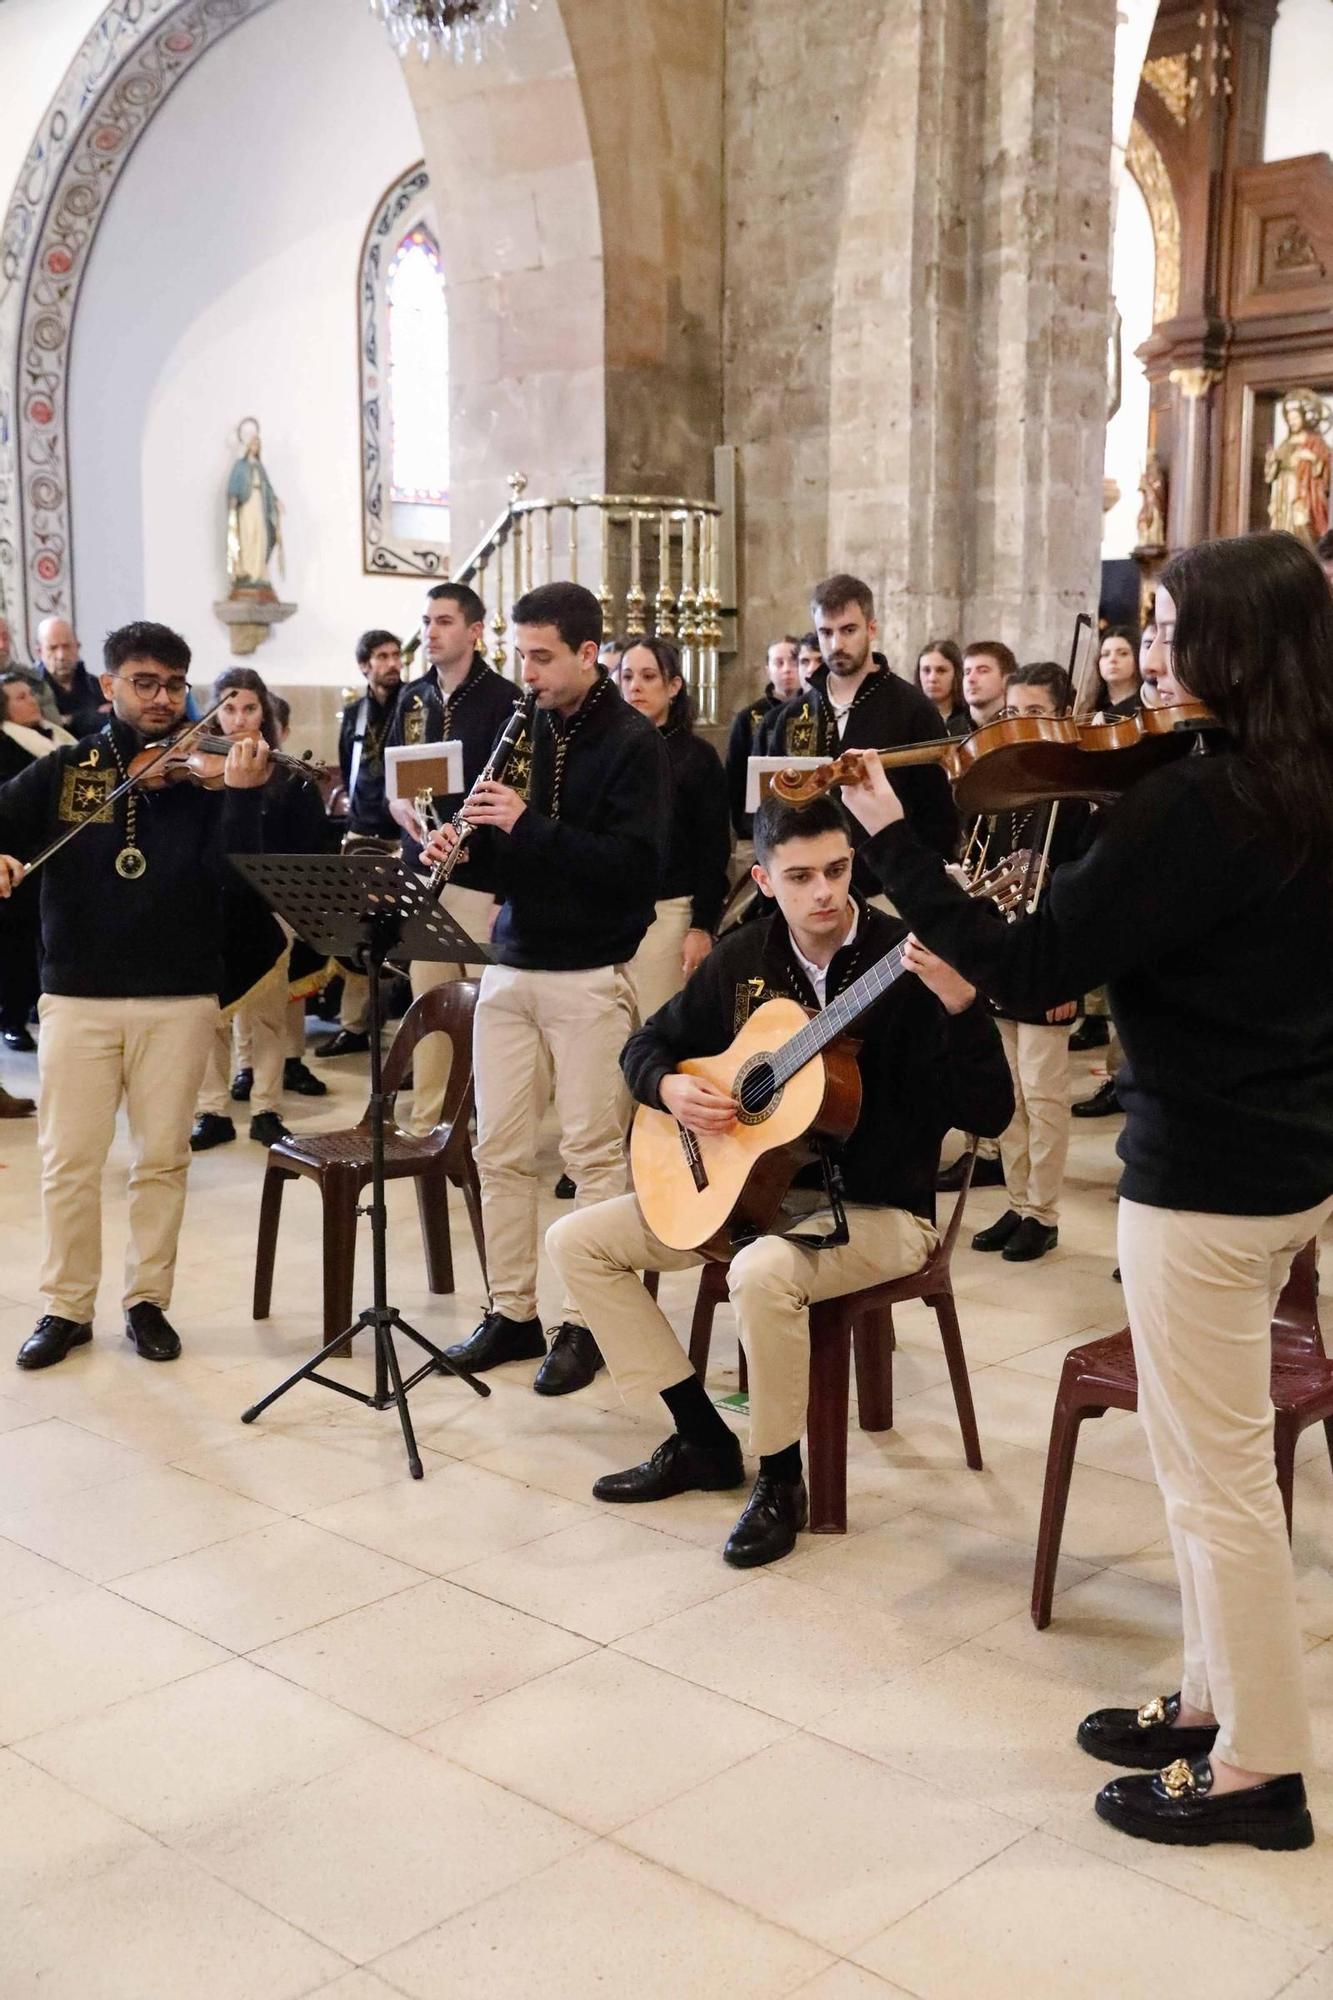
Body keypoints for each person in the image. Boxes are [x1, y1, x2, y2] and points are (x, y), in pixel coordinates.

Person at [837, 530, 1333, 1853]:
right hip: (1293, 1161)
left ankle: (1259, 1773)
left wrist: (894, 847)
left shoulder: (1199, 803)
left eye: (1169, 631)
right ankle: (1209, 1698)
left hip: (1207, 1186)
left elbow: (1028, 964)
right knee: (1204, 1466)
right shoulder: (1300, 782)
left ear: (1229, 644)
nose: (1148, 657)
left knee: (1212, 1482)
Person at [546, 790, 1012, 1566]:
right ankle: (699, 1435)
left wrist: (964, 1006)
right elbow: (646, 1045)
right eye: (799, 877)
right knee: (577, 1241)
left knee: (760, 1273)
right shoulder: (743, 957)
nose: (823, 892)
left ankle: (780, 1478)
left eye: (836, 870)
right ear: (764, 880)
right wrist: (668, 1087)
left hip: (880, 1210)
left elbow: (990, 1114)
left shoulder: (912, 955)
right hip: (755, 1195)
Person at [421, 581, 670, 1399]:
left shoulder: (633, 742)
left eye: (541, 657)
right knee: (496, 1148)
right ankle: (512, 1309)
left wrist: (525, 824)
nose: (525, 672)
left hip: (589, 972)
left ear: (587, 653)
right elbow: (506, 858)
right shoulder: (520, 724)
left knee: (591, 1154)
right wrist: (462, 850)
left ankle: (582, 1323)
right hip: (511, 964)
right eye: (520, 655)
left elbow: (629, 869)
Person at [0, 621, 270, 1369]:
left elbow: (241, 883)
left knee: (162, 1160)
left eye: (176, 685)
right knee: (70, 1159)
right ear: (109, 685)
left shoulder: (212, 776)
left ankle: (147, 1300)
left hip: (179, 994)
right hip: (78, 995)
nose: (162, 698)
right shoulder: (65, 769)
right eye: (145, 683)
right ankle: (65, 1306)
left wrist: (242, 799)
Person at [383, 583, 518, 1135]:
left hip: (481, 878)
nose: (431, 632)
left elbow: (514, 795)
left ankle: (488, 1124)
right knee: (431, 1005)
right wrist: (401, 810)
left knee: (490, 1011)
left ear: (475, 631)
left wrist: (503, 891)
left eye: (443, 621)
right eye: (426, 621)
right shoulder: (413, 697)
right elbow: (388, 784)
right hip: (423, 874)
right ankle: (428, 1122)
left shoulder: (504, 699)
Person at [968, 663, 1087, 1262]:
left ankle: (1043, 1212)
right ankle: (1017, 1203)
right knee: (1008, 1092)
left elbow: (1086, 899)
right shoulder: (1001, 792)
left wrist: (1070, 973)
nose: (1020, 725)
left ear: (1063, 716)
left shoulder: (1077, 796)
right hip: (1001, 959)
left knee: (1043, 1095)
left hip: (1048, 967)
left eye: (1034, 713)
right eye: (1012, 713)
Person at [191, 669, 328, 1150]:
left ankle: (267, 1107)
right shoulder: (197, 769)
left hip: (269, 909)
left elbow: (304, 851)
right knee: (210, 1016)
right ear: (215, 713)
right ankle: (211, 1111)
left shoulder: (287, 776)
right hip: (213, 907)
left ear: (264, 714)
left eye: (249, 708)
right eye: (228, 708)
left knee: (269, 1015)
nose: (239, 719)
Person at [767, 577, 959, 890]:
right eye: (826, 633)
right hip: (808, 887)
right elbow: (772, 807)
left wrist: (925, 889)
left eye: (848, 630)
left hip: (887, 888)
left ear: (871, 629)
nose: (836, 644)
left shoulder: (913, 708)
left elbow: (938, 815)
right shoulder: (794, 714)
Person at [618, 637, 730, 1018]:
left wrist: (702, 927)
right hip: (612, 914)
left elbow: (713, 851)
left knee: (656, 1026)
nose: (636, 686)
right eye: (627, 676)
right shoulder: (610, 750)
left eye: (648, 676)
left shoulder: (697, 758)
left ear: (673, 685)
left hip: (668, 914)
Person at [316, 629, 404, 1058]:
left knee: (396, 936)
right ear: (364, 665)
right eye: (382, 657)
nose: (392, 663)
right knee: (356, 934)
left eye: (395, 655)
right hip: (360, 829)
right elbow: (348, 765)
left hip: (399, 833)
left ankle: (391, 1024)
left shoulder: (413, 704)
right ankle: (352, 1026)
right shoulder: (354, 713)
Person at [0, 677, 77, 1051]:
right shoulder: (4, 742)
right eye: (20, 697)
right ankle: (12, 1019)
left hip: (58, 855)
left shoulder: (58, 736)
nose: (31, 701)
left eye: (31, 694)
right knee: (15, 950)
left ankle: (46, 1011)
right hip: (20, 858)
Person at [724, 636, 802, 840]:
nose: (787, 669)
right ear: (768, 670)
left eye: (794, 662)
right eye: (779, 663)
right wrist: (743, 824)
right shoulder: (749, 717)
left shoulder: (816, 711)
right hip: (760, 825)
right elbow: (735, 774)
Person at [31, 617, 107, 736]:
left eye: (66, 646)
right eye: (53, 648)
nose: (61, 656)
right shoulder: (29, 690)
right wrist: (88, 718)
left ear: (77, 647)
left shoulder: (97, 686)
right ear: (40, 652)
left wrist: (67, 720)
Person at [916, 639, 970, 738]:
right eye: (926, 670)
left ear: (957, 673)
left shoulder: (970, 719)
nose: (932, 678)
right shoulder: (908, 716)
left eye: (941, 670)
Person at [960, 639, 1016, 730]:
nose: (971, 679)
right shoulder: (947, 731)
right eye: (967, 672)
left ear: (1007, 680)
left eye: (983, 671)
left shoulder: (1018, 726)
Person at [1096, 626, 1141, 717]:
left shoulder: (1146, 704)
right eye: (1106, 654)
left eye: (1123, 653)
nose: (1112, 659)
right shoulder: (1093, 707)